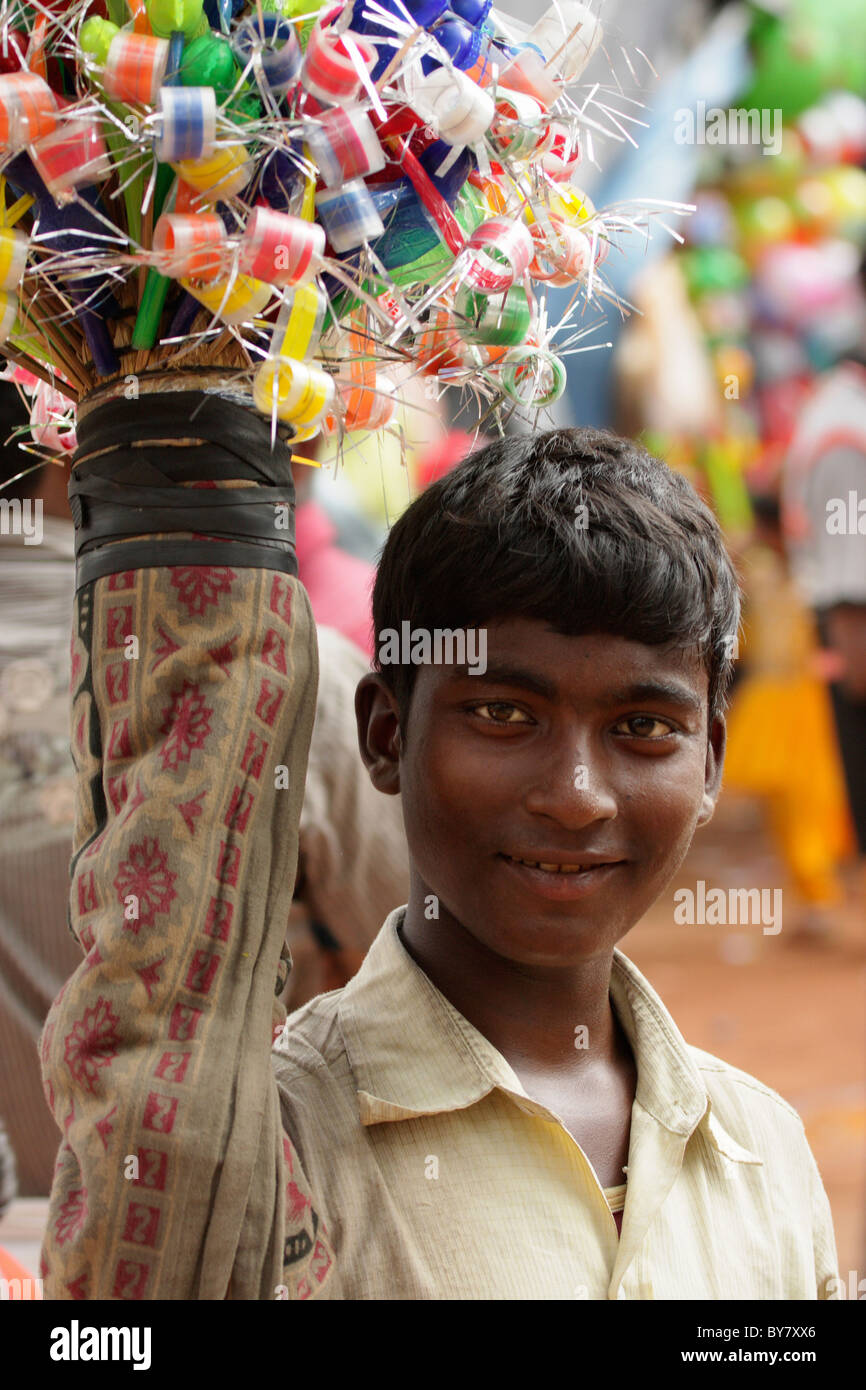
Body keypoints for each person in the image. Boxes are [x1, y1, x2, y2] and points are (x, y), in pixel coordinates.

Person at [39, 421, 839, 1300]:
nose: (576, 796)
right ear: (386, 735)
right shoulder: (267, 1150)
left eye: (643, 728)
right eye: (503, 714)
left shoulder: (762, 1147)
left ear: (711, 761)